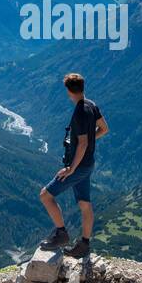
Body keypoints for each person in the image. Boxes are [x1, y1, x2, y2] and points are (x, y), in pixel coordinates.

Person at [38, 73, 108, 259]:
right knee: (85, 204)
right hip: (88, 164)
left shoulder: (79, 112)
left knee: (45, 195)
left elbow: (83, 143)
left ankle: (61, 233)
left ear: (69, 91)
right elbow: (104, 129)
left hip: (79, 166)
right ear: (82, 87)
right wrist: (91, 139)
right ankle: (84, 245)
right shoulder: (91, 105)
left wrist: (71, 169)